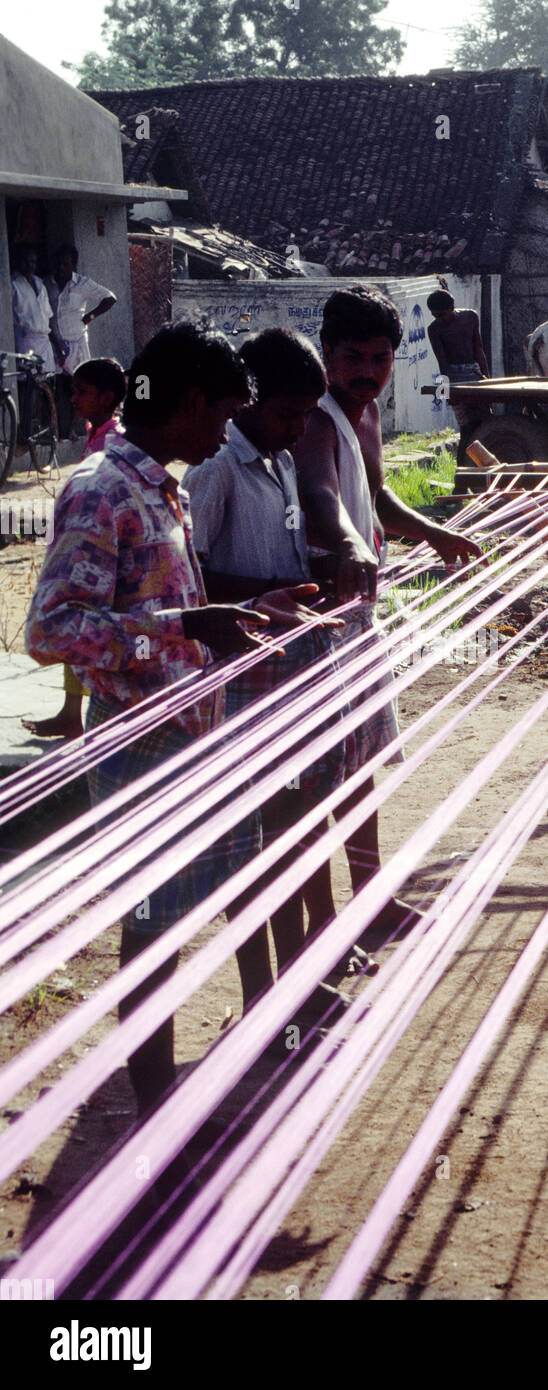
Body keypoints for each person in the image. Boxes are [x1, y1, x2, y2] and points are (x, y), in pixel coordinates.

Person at [25, 321, 323, 1117]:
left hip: (190, 739)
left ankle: (214, 1086)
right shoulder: (101, 491)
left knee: (210, 906)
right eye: (223, 412)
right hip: (140, 751)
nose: (228, 430)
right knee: (152, 942)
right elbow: (50, 631)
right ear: (189, 403)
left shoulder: (161, 487)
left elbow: (168, 609)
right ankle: (157, 1119)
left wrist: (243, 612)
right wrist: (185, 630)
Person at [294, 285, 482, 940]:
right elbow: (320, 493)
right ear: (326, 353)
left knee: (360, 768)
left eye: (379, 358)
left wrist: (431, 532)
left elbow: (373, 501)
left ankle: (370, 903)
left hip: (357, 619)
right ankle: (320, 930)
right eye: (352, 357)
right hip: (316, 621)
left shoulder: (367, 414)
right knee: (317, 782)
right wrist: (348, 544)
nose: (367, 371)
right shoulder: (314, 417)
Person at [183, 327, 350, 1012]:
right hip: (242, 682)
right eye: (286, 412)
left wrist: (321, 570)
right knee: (255, 845)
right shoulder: (215, 468)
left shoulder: (280, 462)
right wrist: (258, 600)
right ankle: (263, 997)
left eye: (308, 413)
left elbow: (276, 560)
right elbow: (191, 584)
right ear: (244, 401)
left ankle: (298, 987)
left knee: (294, 832)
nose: (299, 426)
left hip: (289, 673)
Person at [22, 357, 127, 740]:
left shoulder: (113, 439)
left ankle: (82, 712)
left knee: (89, 627)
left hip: (101, 551)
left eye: (81, 392)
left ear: (106, 397)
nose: (73, 398)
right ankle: (71, 712)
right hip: (86, 548)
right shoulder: (94, 432)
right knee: (78, 624)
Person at [45, 244, 117, 439]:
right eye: (59, 264)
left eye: (66, 264)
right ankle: (61, 431)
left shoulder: (82, 284)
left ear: (73, 264)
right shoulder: (48, 283)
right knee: (59, 387)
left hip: (76, 343)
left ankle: (80, 430)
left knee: (79, 387)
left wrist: (90, 316)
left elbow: (110, 298)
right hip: (54, 342)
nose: (61, 268)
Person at [10, 244, 61, 447]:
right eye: (26, 261)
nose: (29, 265)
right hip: (25, 340)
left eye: (33, 261)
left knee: (44, 386)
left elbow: (48, 317)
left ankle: (37, 427)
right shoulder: (13, 283)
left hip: (43, 340)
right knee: (26, 386)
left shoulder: (40, 284)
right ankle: (24, 428)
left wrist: (56, 344)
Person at [426, 288, 491, 441]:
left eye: (442, 315)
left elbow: (479, 350)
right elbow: (442, 361)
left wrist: (488, 379)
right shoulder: (434, 329)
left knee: (486, 419)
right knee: (466, 427)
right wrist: (445, 390)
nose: (439, 319)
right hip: (454, 376)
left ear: (452, 307)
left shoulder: (470, 317)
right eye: (435, 316)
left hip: (474, 372)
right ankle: (463, 460)